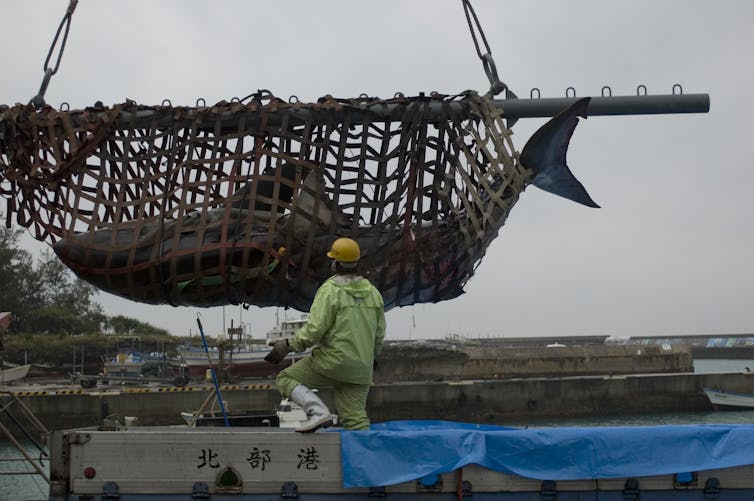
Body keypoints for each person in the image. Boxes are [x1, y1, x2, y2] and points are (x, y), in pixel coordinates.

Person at [265, 237, 385, 432]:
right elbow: (379, 334)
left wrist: (287, 345)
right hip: (361, 367)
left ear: (335, 263)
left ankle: (318, 412)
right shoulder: (373, 293)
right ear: (357, 263)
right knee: (356, 421)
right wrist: (372, 356)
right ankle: (366, 458)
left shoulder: (331, 290)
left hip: (331, 363)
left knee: (285, 378)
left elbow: (314, 330)